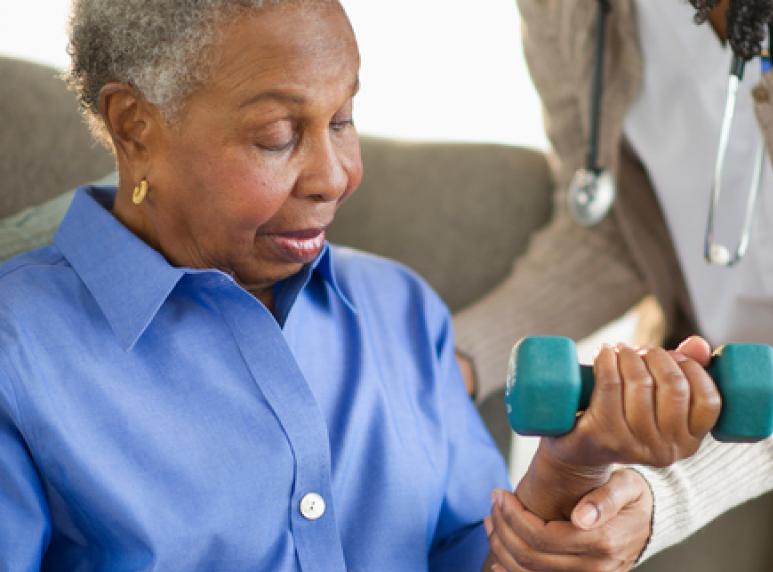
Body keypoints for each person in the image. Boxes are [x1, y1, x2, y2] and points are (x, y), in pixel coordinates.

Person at [0, 1, 725, 570]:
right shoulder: (19, 350)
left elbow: (466, 558)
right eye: (278, 134)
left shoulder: (401, 309)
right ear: (134, 127)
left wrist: (573, 464)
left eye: (343, 118)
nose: (336, 176)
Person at [457, 0, 773, 570]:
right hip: (703, 388)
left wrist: (666, 503)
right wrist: (450, 358)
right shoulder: (565, 11)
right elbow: (609, 232)